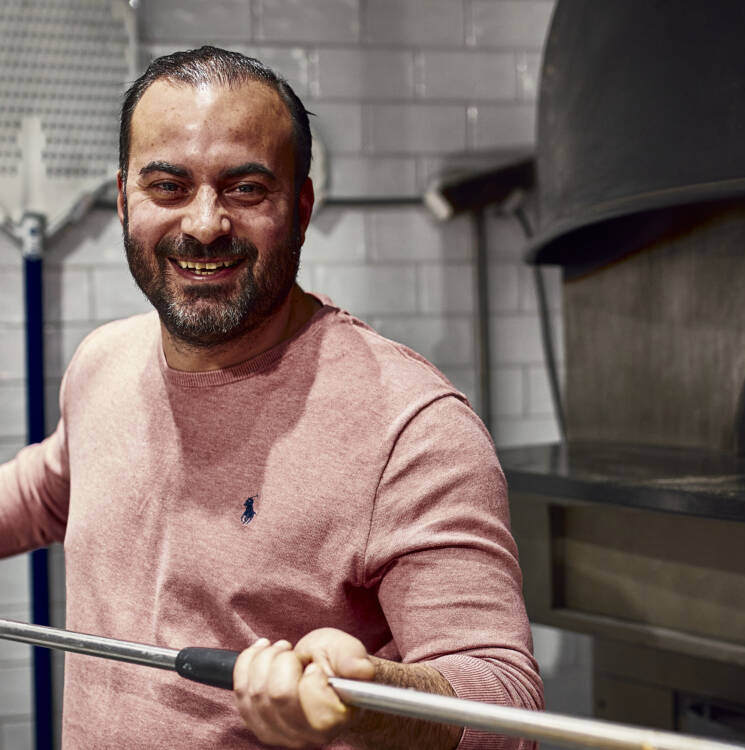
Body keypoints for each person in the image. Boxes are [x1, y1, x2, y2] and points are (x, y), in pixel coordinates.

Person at [0, 46, 543, 748]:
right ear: (124, 199)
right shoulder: (104, 362)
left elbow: (507, 707)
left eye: (246, 189)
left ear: (302, 208)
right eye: (168, 186)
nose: (204, 224)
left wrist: (369, 697)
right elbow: (49, 488)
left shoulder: (411, 428)